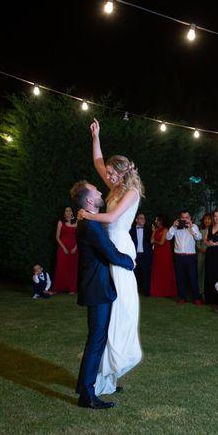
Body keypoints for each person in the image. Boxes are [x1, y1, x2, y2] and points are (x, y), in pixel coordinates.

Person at [79, 118, 143, 395]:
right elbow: (97, 161)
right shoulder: (116, 185)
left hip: (119, 248)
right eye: (107, 174)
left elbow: (114, 217)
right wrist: (95, 135)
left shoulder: (131, 191)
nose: (107, 176)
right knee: (109, 312)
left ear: (122, 172)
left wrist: (87, 214)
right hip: (108, 246)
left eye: (111, 173)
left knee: (123, 312)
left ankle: (113, 367)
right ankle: (104, 380)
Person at [70, 179, 135, 409]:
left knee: (98, 339)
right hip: (97, 289)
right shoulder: (92, 225)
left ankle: (87, 385)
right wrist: (131, 262)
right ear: (90, 200)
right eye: (97, 191)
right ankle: (87, 395)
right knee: (96, 341)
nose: (101, 193)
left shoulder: (90, 222)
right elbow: (111, 254)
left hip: (96, 286)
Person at [167, 210, 203, 304]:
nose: (185, 219)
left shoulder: (194, 226)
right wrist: (173, 226)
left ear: (190, 218)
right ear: (180, 218)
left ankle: (196, 298)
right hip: (178, 256)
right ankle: (182, 297)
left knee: (193, 278)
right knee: (180, 278)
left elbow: (199, 237)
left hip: (190, 256)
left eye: (187, 217)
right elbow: (168, 237)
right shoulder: (176, 227)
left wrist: (191, 228)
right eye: (183, 217)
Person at [150, 214, 177, 298]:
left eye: (156, 220)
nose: (155, 221)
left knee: (165, 270)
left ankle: (167, 291)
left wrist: (155, 241)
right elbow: (151, 241)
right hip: (157, 253)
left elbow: (162, 243)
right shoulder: (156, 229)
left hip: (164, 253)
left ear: (160, 221)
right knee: (157, 270)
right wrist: (154, 231)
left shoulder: (165, 229)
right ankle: (157, 291)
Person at [53, 206, 78, 294]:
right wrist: (63, 248)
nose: (68, 212)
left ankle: (72, 288)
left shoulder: (77, 223)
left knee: (72, 268)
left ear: (72, 212)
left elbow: (79, 237)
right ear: (64, 213)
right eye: (66, 211)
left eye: (69, 210)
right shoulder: (60, 222)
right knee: (61, 267)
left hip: (74, 248)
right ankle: (58, 288)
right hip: (63, 248)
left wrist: (75, 248)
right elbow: (57, 237)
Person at [130, 212, 152, 297]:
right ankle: (134, 292)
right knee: (134, 275)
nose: (143, 220)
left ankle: (147, 292)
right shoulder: (131, 230)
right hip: (135, 255)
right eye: (141, 218)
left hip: (145, 255)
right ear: (136, 220)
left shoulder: (148, 230)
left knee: (146, 274)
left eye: (144, 218)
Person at [197, 213, 212, 296]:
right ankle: (200, 291)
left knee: (208, 272)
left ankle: (208, 292)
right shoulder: (200, 231)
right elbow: (197, 243)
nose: (207, 220)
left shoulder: (213, 230)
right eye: (205, 219)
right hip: (201, 254)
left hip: (211, 255)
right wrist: (200, 249)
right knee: (200, 272)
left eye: (209, 219)